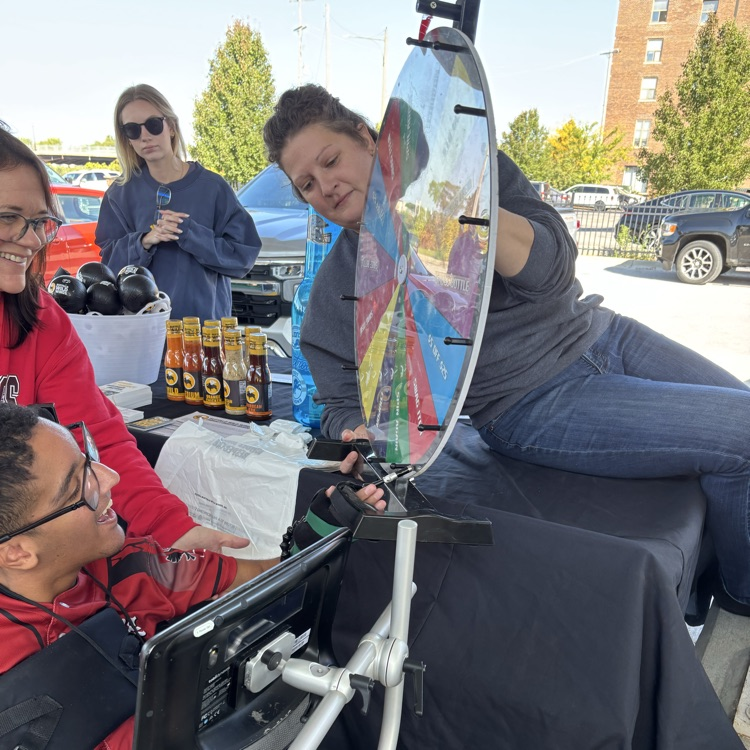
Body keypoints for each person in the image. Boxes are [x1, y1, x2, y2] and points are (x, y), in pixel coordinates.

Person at [263, 84, 750, 613]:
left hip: (605, 334)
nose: (327, 186)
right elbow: (336, 403)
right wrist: (355, 430)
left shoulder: (472, 172)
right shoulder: (341, 284)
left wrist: (457, 215)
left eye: (331, 161)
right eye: (307, 184)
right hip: (530, 403)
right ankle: (740, 607)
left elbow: (553, 271)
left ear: (365, 136)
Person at [0, 403, 384, 749]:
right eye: (79, 487)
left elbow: (270, 578)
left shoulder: (138, 567)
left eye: (89, 459)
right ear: (16, 552)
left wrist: (319, 528)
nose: (111, 478)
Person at [0, 125, 247, 552]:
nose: (32, 239)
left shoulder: (42, 319)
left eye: (42, 222)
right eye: (8, 217)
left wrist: (172, 527)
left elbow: (95, 435)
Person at [96, 84, 261, 321]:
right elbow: (109, 268)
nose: (145, 136)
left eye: (153, 124)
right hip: (143, 333)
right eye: (132, 130)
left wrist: (190, 234)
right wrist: (143, 241)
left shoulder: (212, 187)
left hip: (203, 334)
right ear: (127, 139)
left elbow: (243, 257)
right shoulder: (119, 194)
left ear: (171, 127)